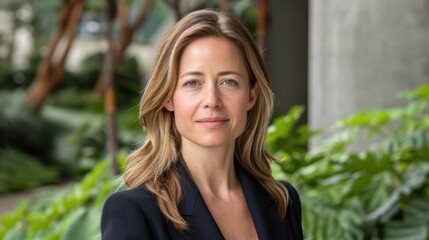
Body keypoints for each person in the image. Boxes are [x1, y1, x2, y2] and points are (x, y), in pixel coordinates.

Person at [101, 9, 303, 240]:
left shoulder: (282, 202)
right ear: (168, 97)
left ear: (251, 95)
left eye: (229, 81)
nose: (212, 101)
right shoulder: (134, 212)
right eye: (193, 83)